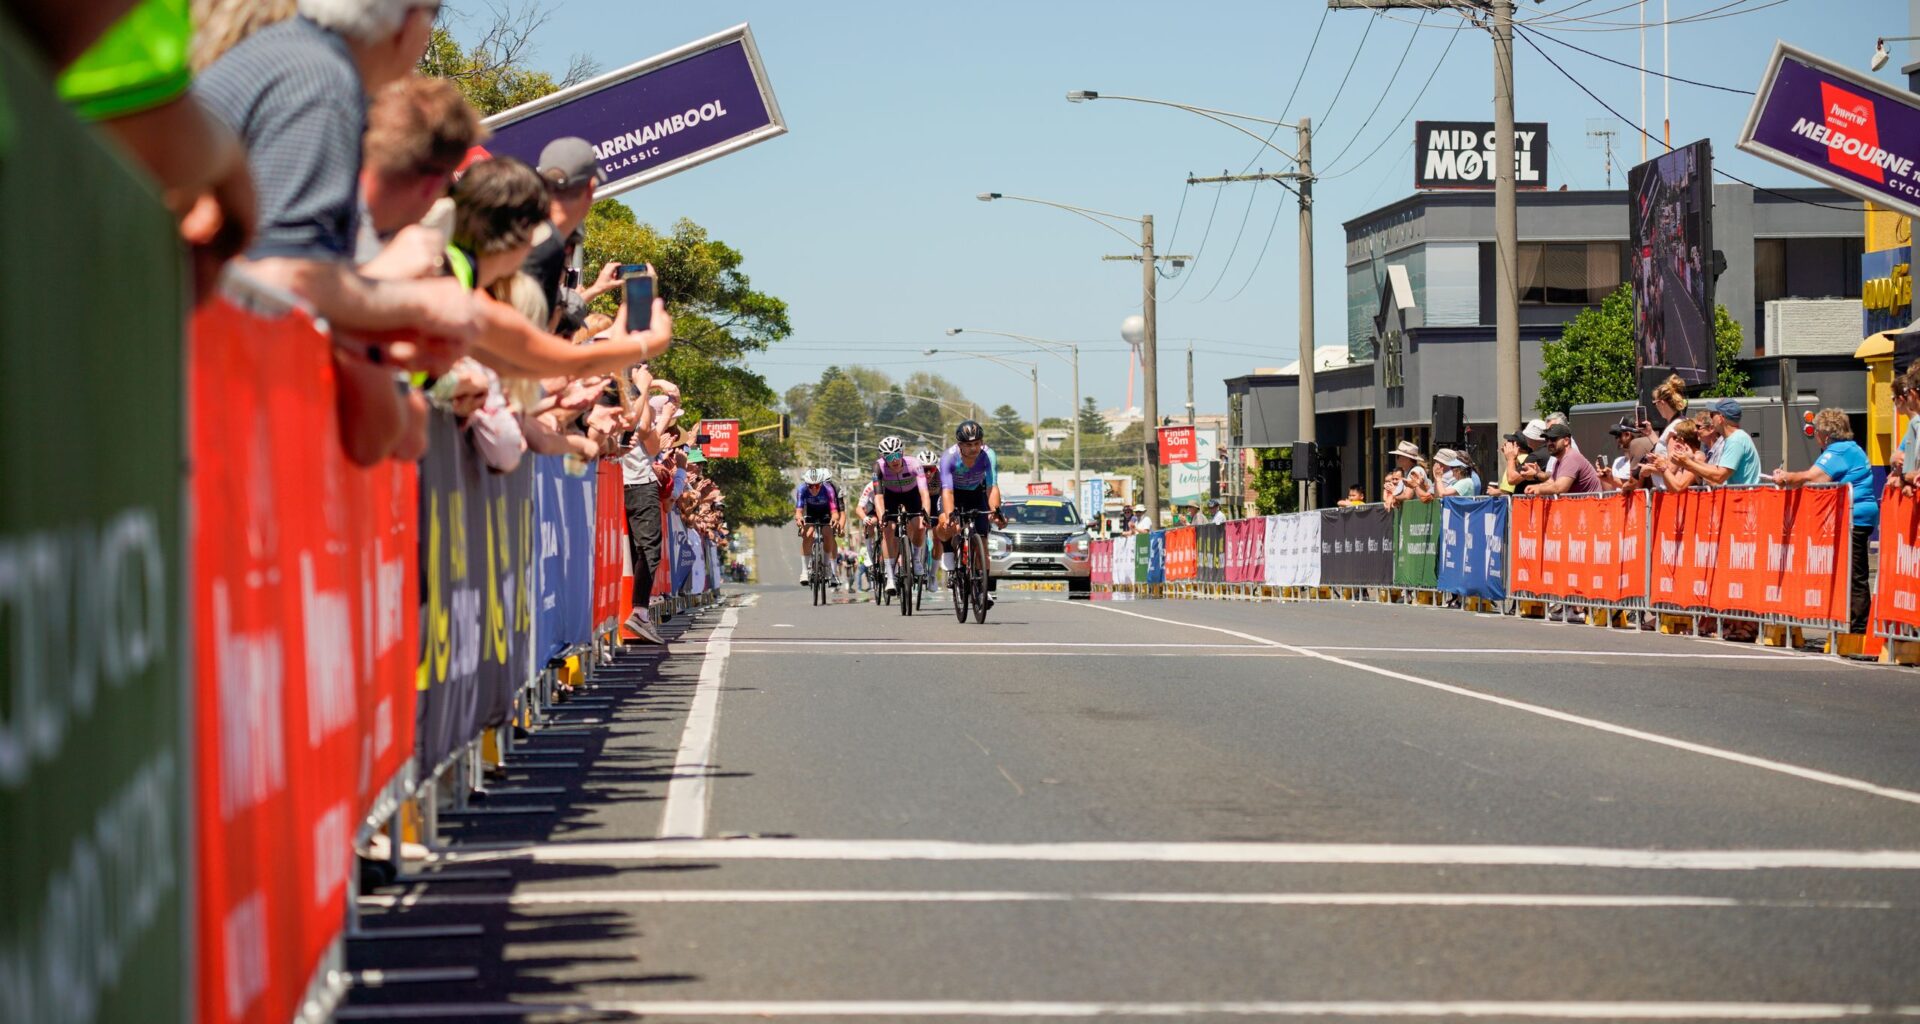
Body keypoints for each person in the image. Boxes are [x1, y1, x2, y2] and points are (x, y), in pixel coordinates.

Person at [1773, 409, 1876, 636]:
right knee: (1850, 572)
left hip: (1854, 516)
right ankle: (1851, 623)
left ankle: (1858, 629)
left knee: (1855, 574)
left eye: (1817, 432)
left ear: (1826, 435)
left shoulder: (1838, 450)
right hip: (1858, 514)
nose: (1816, 437)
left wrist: (1786, 477)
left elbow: (1814, 477)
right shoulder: (1852, 448)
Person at [935, 420, 1007, 606]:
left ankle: (984, 588)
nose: (974, 448)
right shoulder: (948, 458)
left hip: (977, 493)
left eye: (977, 443)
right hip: (954, 493)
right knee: (948, 524)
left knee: (982, 542)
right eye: (968, 445)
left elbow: (992, 486)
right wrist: (950, 515)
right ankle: (949, 551)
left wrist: (995, 511)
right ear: (960, 445)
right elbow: (947, 491)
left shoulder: (988, 455)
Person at [871, 436, 933, 596]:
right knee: (889, 529)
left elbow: (924, 492)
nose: (895, 460)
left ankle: (917, 558)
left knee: (919, 525)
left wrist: (926, 512)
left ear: (902, 453)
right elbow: (878, 497)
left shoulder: (914, 464)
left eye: (897, 455)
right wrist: (882, 516)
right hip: (890, 495)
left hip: (912, 495)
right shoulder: (878, 468)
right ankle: (890, 576)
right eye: (889, 457)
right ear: (883, 458)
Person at [1670, 398, 1760, 487]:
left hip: (1743, 499)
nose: (1711, 418)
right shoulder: (1735, 438)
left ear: (1720, 418)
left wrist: (1688, 463)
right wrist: (1692, 460)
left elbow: (1719, 476)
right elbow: (1716, 469)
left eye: (1712, 415)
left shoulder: (1735, 440)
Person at [1524, 422, 1601, 496]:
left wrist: (1539, 490)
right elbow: (1551, 482)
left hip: (1592, 507)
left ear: (1566, 441)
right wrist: (1536, 487)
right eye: (1547, 439)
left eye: (1553, 439)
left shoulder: (1571, 458)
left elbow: (1560, 488)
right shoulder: (1559, 461)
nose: (1549, 443)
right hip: (1582, 507)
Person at [793, 468, 840, 583]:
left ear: (821, 483)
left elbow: (834, 512)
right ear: (806, 484)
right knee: (808, 534)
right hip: (809, 513)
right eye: (811, 486)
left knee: (828, 533)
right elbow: (799, 510)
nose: (814, 489)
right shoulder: (802, 489)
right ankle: (804, 571)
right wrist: (799, 518)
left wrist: (834, 518)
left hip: (825, 513)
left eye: (817, 486)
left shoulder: (828, 489)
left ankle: (826, 565)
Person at [1382, 439, 1433, 510]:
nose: (1397, 459)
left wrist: (1394, 496)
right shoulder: (1407, 472)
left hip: (1419, 514)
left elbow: (1407, 495)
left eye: (1398, 456)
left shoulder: (1415, 471)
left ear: (1407, 458)